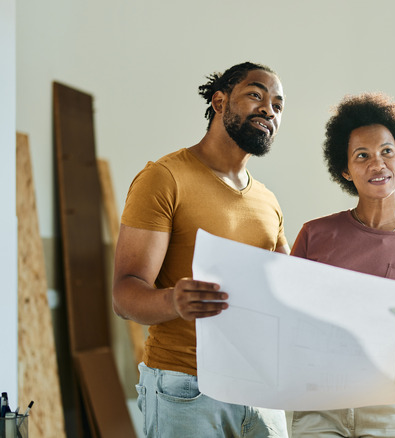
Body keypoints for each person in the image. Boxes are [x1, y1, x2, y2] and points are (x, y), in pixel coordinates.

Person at [111, 62, 290, 438]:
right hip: (186, 388)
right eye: (256, 94)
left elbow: (283, 291)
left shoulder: (268, 201)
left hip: (257, 386)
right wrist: (173, 302)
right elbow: (125, 295)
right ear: (219, 101)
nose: (268, 110)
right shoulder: (164, 178)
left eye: (278, 105)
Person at [290, 92, 395, 437]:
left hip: (393, 402)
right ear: (345, 170)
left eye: (387, 152)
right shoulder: (315, 234)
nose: (377, 164)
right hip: (321, 400)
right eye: (362, 156)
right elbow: (289, 316)